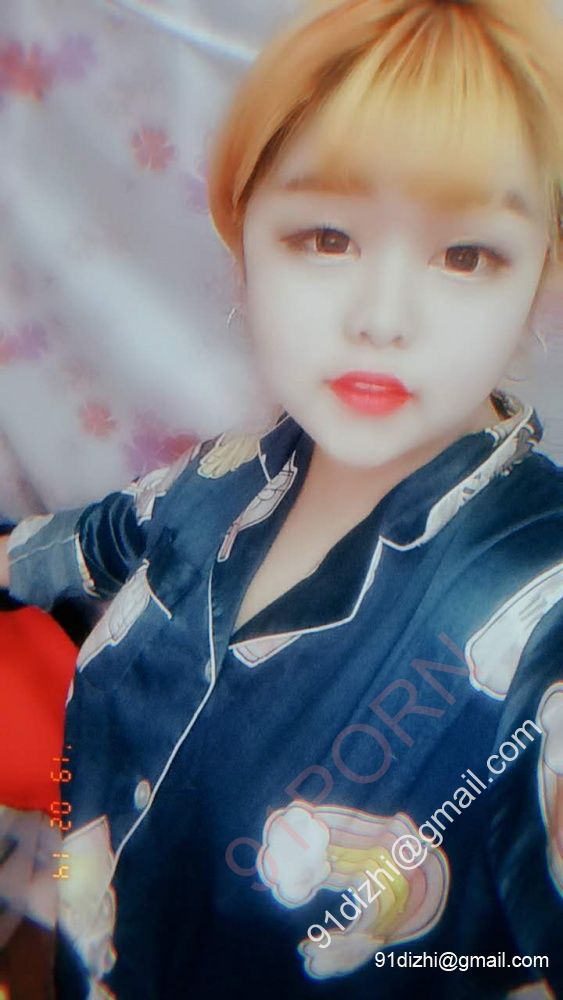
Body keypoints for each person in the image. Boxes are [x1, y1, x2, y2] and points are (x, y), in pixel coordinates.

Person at [1, 0, 563, 996]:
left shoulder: (539, 614)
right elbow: (87, 543)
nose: (381, 318)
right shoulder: (232, 474)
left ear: (536, 276)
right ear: (243, 234)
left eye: (464, 255)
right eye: (326, 237)